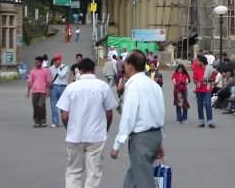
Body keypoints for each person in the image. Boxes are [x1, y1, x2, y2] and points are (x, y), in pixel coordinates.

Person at [56, 58, 117, 188]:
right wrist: (105, 129)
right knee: (94, 172)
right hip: (96, 136)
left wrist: (69, 129)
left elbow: (64, 115)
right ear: (94, 69)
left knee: (73, 171)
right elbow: (109, 113)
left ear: (79, 70)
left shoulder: (71, 88)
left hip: (75, 136)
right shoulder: (103, 86)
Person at [110, 50, 165, 188]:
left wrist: (117, 144)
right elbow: (159, 112)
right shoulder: (153, 85)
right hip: (154, 134)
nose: (123, 67)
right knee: (135, 175)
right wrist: (159, 141)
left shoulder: (134, 86)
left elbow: (128, 116)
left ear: (130, 66)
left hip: (141, 138)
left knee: (143, 179)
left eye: (125, 63)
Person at [27, 56, 51, 127]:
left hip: (43, 91)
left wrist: (48, 90)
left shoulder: (46, 71)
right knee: (35, 107)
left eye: (37, 62)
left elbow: (49, 81)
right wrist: (28, 91)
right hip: (34, 91)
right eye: (35, 62)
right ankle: (37, 121)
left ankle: (43, 120)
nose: (36, 63)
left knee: (41, 106)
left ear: (41, 62)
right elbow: (30, 82)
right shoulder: (32, 71)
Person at [193, 54, 215, 128]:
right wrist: (196, 82)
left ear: (202, 62)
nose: (197, 62)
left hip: (207, 89)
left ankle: (210, 121)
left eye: (198, 61)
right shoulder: (196, 68)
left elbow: (213, 79)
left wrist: (207, 80)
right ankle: (201, 121)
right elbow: (194, 79)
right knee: (199, 105)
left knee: (208, 105)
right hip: (199, 89)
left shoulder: (209, 68)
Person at [49, 52, 69, 127]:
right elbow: (49, 78)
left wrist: (57, 68)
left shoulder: (65, 67)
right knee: (53, 105)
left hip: (63, 87)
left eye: (57, 60)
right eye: (54, 60)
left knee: (63, 105)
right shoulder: (51, 68)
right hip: (54, 87)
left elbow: (62, 75)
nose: (55, 61)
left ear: (60, 60)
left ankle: (65, 120)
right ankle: (55, 122)